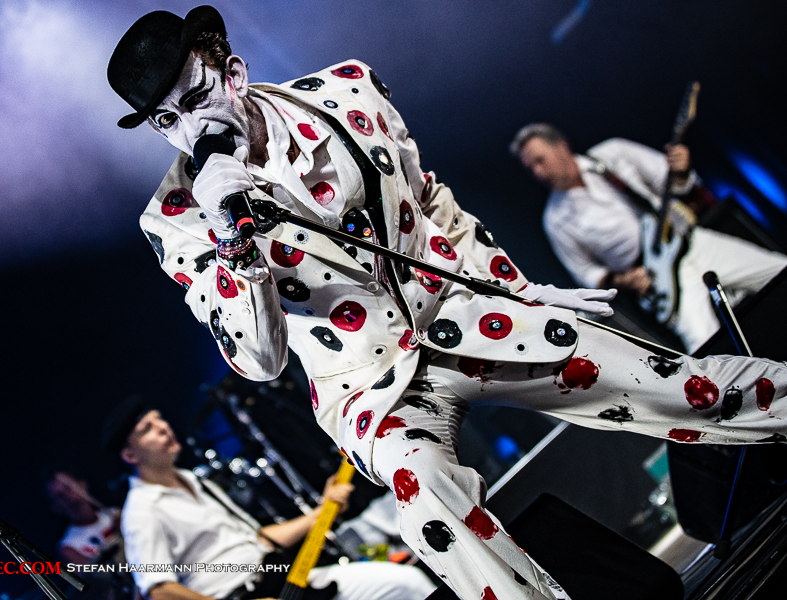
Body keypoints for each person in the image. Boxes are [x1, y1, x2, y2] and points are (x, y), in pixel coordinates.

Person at [106, 7, 787, 599]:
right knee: (430, 502)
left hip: (463, 309)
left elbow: (432, 203)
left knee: (679, 387)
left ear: (232, 73)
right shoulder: (176, 219)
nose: (189, 127)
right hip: (371, 386)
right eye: (166, 120)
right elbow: (259, 360)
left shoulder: (347, 91)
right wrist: (232, 239)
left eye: (196, 98)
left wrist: (517, 288)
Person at [102, 397, 436, 600]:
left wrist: (323, 511)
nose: (162, 427)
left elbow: (258, 539)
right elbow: (158, 590)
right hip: (240, 594)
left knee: (405, 585)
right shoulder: (142, 511)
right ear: (130, 455)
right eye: (147, 429)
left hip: (279, 581)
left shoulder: (193, 480)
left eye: (159, 419)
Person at [511, 123, 787, 352]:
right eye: (530, 168)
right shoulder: (555, 219)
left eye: (540, 160)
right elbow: (585, 272)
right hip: (660, 280)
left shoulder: (612, 154)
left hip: (692, 243)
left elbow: (675, 183)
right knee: (705, 344)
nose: (538, 172)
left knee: (778, 271)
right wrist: (624, 280)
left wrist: (681, 170)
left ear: (561, 146)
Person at [45, 470, 131, 600]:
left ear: (83, 484)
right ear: (55, 506)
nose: (68, 495)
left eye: (68, 487)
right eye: (60, 495)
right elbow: (95, 583)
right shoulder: (68, 548)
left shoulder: (117, 513)